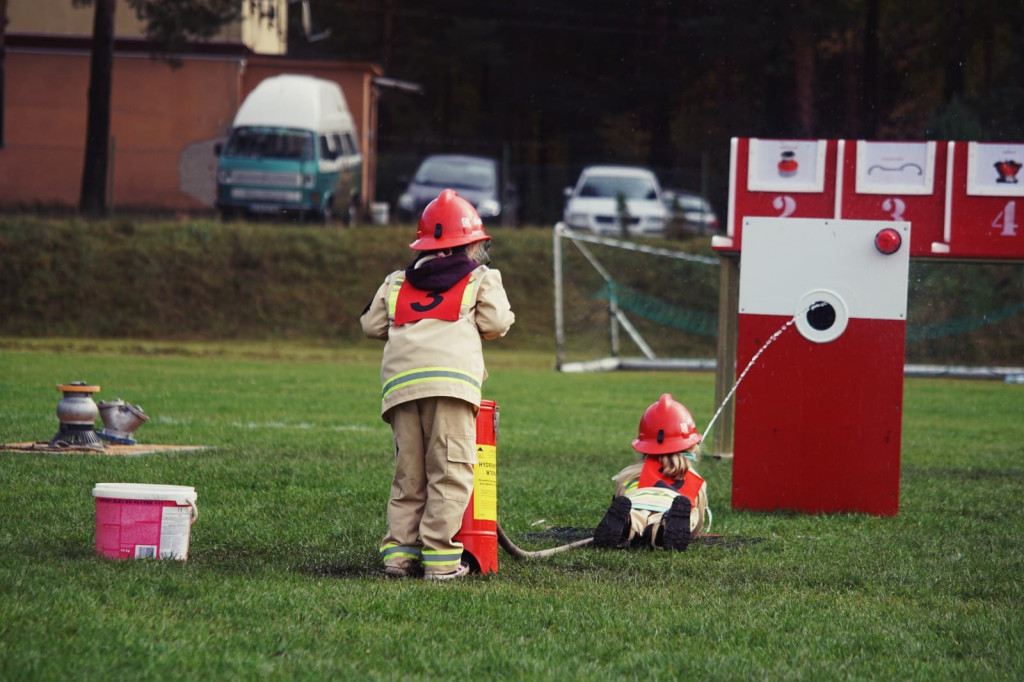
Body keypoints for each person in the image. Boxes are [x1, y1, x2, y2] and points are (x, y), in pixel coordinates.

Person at [360, 189, 515, 580]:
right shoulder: (481, 277)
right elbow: (496, 324)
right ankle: (442, 561)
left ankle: (399, 556)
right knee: (448, 472)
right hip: (451, 386)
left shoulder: (396, 281)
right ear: (472, 244)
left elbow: (371, 325)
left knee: (409, 474)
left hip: (401, 387)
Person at [593, 393, 711, 551]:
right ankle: (662, 530)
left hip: (636, 502)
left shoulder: (629, 474)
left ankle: (628, 526)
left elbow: (620, 496)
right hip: (671, 506)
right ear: (691, 446)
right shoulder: (695, 480)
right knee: (688, 514)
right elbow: (698, 523)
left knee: (635, 514)